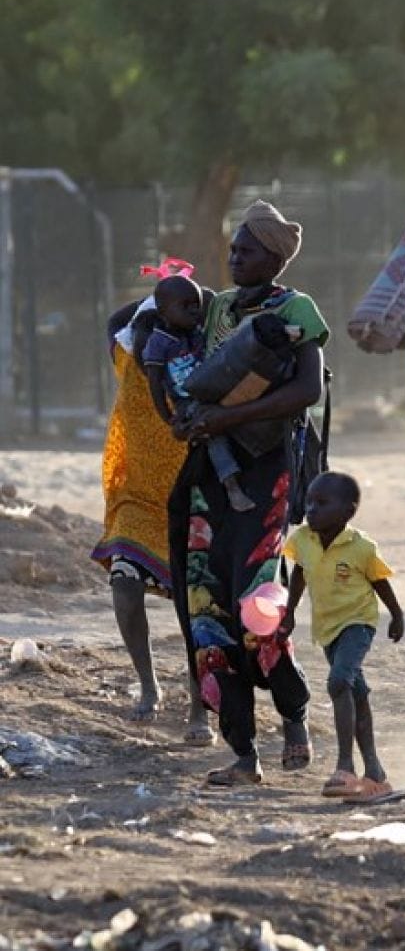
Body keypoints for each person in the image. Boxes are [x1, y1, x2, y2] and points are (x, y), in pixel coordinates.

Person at [169, 199, 329, 786]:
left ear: (275, 257)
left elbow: (307, 390)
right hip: (211, 477)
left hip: (267, 472)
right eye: (233, 249)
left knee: (258, 606)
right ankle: (242, 752)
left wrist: (227, 421)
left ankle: (294, 715)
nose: (235, 257)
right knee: (206, 610)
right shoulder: (216, 311)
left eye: (247, 250)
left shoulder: (296, 309)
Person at [92, 276, 212, 741]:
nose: (147, 346)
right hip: (136, 498)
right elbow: (115, 320)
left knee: (194, 608)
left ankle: (200, 707)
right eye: (144, 334)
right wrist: (156, 293)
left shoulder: (194, 365)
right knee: (124, 583)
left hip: (190, 495)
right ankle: (148, 685)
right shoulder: (125, 356)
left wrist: (178, 298)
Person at [281, 472, 403, 801]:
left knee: (338, 682)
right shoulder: (303, 539)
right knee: (356, 692)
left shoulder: (362, 547)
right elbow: (300, 574)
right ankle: (375, 773)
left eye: (322, 503)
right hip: (327, 628)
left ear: (348, 512)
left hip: (358, 622)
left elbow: (380, 582)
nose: (311, 509)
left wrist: (397, 614)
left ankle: (344, 766)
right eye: (309, 502)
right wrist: (290, 612)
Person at [142, 275, 256, 513]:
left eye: (197, 304)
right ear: (163, 310)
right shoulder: (158, 342)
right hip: (188, 403)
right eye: (186, 305)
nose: (194, 311)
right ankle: (232, 485)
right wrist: (168, 416)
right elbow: (154, 383)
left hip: (213, 391)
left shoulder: (197, 333)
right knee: (212, 433)